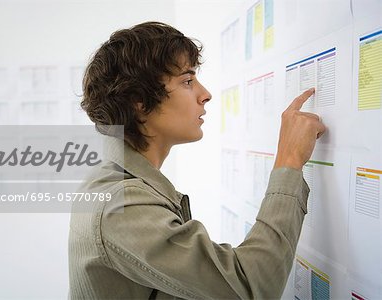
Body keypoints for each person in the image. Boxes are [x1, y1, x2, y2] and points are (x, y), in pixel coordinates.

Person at [68, 21, 326, 299]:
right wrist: (289, 161)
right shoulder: (123, 204)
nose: (206, 94)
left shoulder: (113, 183)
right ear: (139, 101)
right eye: (187, 81)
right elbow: (251, 285)